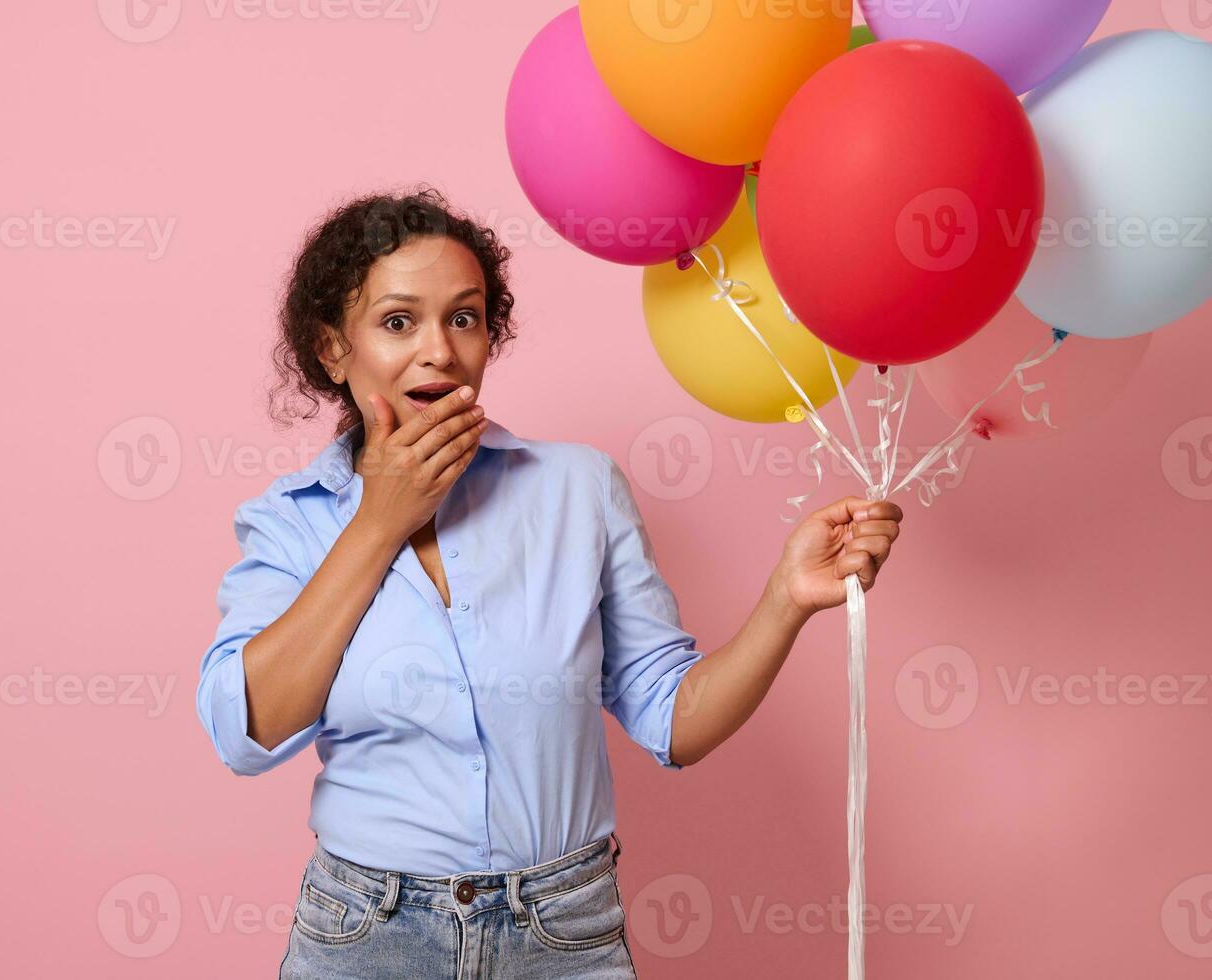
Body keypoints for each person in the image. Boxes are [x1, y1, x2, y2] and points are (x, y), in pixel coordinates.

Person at [195, 188, 904, 978]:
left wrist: (784, 600)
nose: (438, 349)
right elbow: (244, 733)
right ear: (334, 349)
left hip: (563, 931)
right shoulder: (289, 522)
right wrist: (378, 521)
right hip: (367, 935)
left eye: (463, 318)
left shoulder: (576, 490)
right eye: (398, 322)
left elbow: (674, 722)